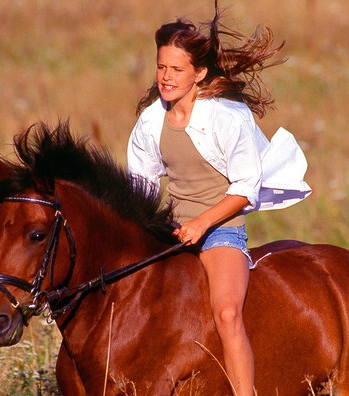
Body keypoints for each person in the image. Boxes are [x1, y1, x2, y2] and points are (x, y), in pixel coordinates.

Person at [127, 3, 311, 395]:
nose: (166, 77)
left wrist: (201, 223)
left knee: (227, 314)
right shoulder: (149, 119)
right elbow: (140, 185)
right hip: (170, 230)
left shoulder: (227, 117)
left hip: (220, 231)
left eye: (176, 70)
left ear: (200, 73)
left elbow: (245, 188)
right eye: (161, 67)